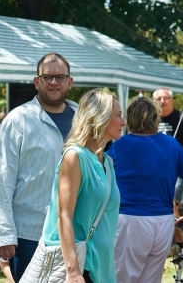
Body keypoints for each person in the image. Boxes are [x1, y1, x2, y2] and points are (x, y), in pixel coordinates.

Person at [0, 52, 78, 281]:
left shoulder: (83, 119)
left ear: (70, 82)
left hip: (77, 231)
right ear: (36, 81)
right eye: (47, 77)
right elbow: (2, 180)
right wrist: (3, 234)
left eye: (60, 77)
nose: (53, 82)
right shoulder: (17, 120)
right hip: (30, 232)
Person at [107, 96, 183, 283]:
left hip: (129, 221)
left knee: (122, 278)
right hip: (163, 221)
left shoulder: (118, 146)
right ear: (155, 117)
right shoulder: (172, 144)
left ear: (130, 118)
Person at [39, 89, 123, 283]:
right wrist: (73, 270)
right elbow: (63, 215)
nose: (123, 122)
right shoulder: (75, 157)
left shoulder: (107, 162)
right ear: (99, 118)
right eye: (118, 116)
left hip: (102, 266)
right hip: (80, 266)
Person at [153, 87, 183, 202]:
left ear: (172, 100)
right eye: (159, 98)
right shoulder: (151, 121)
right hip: (157, 168)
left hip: (179, 169)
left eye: (165, 98)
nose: (162, 101)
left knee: (172, 201)